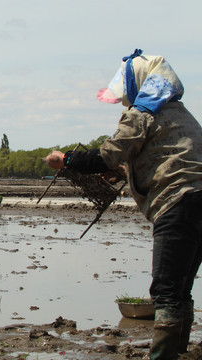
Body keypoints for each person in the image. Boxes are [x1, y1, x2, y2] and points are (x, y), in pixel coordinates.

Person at [44, 49, 202, 359]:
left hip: (178, 203)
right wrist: (121, 171)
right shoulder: (181, 114)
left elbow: (109, 154)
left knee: (166, 292)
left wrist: (66, 160)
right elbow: (160, 155)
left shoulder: (143, 112)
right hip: (198, 202)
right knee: (181, 289)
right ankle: (180, 354)